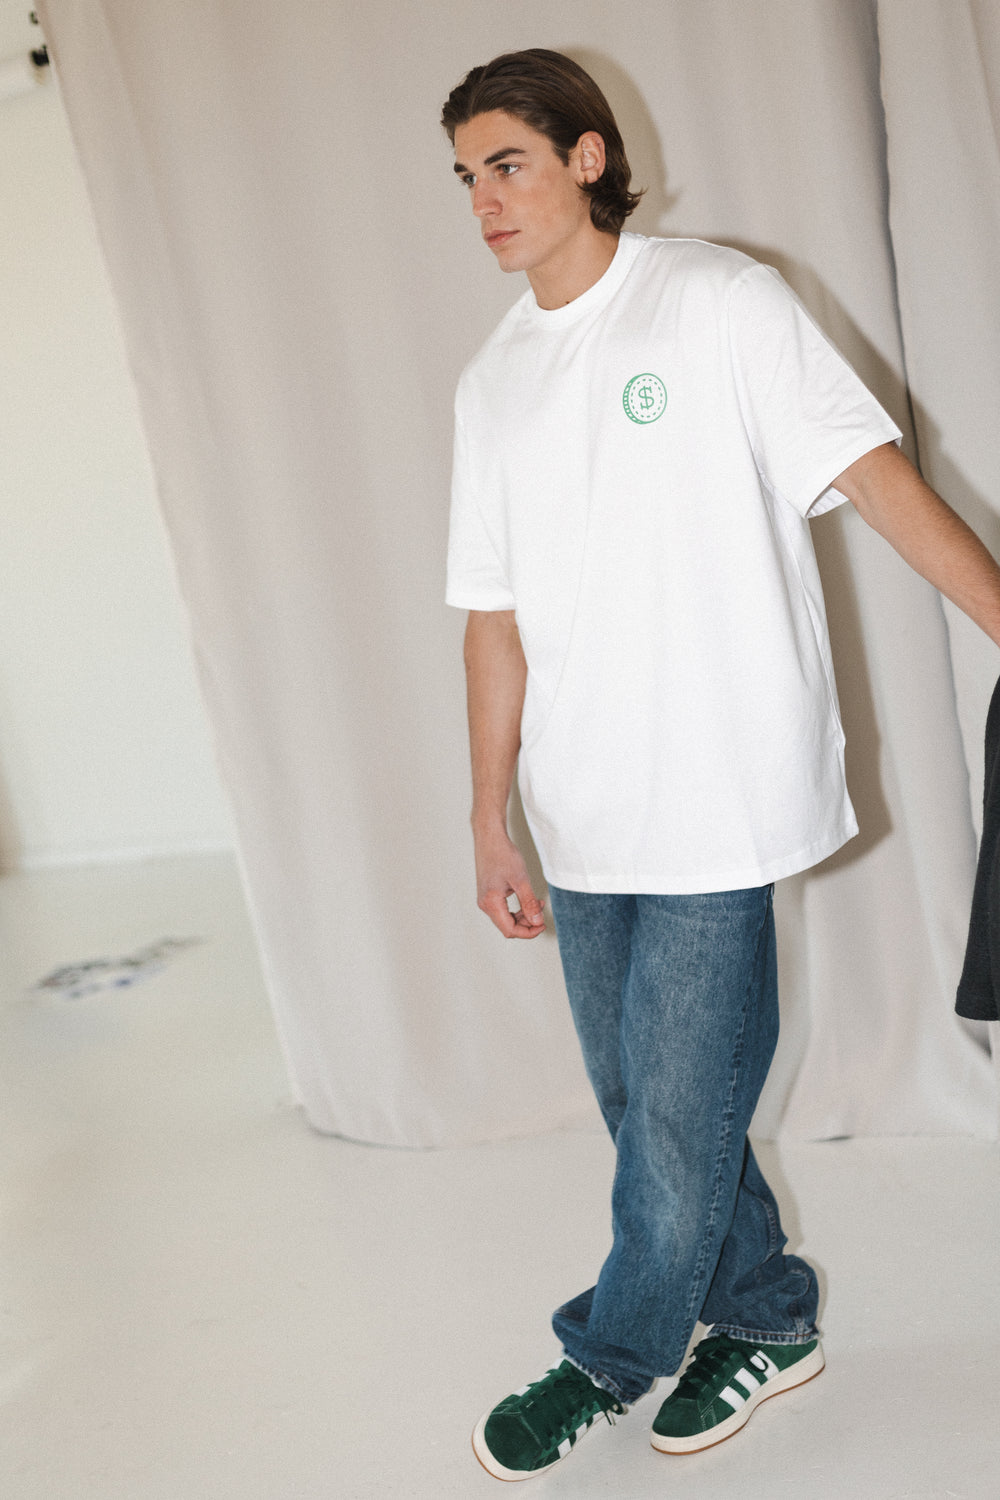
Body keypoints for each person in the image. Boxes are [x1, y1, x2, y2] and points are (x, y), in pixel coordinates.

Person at [441, 48, 1000, 1483]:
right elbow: (492, 618)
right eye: (466, 177)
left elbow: (871, 475)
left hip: (720, 785)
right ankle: (764, 1317)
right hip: (582, 808)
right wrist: (491, 814)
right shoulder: (493, 382)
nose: (484, 199)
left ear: (586, 157)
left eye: (508, 163)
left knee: (679, 1124)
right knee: (648, 1111)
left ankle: (606, 1354)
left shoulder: (715, 300)